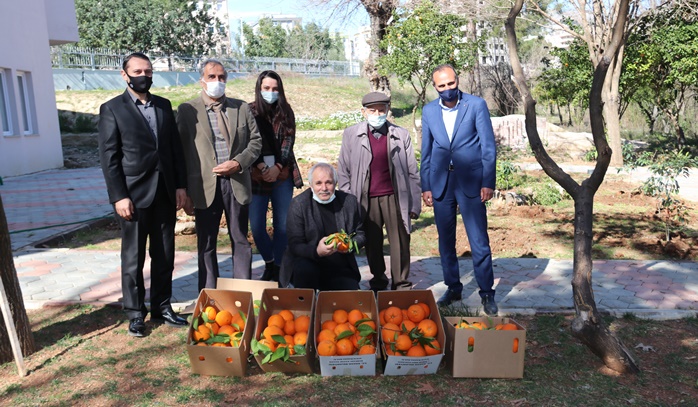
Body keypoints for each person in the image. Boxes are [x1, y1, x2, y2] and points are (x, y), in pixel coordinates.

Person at [97, 52, 188, 337]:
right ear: (124, 75)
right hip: (133, 197)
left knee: (165, 254)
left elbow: (175, 150)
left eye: (148, 71)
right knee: (133, 258)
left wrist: (180, 186)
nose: (144, 76)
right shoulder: (111, 109)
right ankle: (136, 313)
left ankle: (162, 306)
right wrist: (118, 196)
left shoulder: (163, 106)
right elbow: (109, 158)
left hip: (164, 192)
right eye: (137, 71)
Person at [176, 59, 262, 291]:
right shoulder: (187, 110)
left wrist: (237, 163)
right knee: (206, 243)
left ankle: (242, 292)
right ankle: (209, 294)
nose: (217, 81)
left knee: (241, 240)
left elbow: (256, 142)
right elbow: (180, 152)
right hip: (204, 187)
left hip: (236, 183)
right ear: (201, 79)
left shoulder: (241, 108)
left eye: (222, 77)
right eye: (212, 77)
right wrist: (183, 189)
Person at [420, 64, 498, 315]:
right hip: (441, 183)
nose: (447, 89)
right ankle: (453, 287)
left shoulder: (475, 105)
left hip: (471, 183)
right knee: (446, 242)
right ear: (435, 87)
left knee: (479, 240)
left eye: (450, 84)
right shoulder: (429, 111)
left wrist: (488, 182)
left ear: (457, 81)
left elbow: (488, 147)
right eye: (441, 86)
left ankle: (487, 292)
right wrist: (426, 185)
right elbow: (427, 151)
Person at [337, 91, 421, 292]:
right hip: (365, 198)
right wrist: (349, 201)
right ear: (363, 112)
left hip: (394, 196)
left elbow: (412, 171)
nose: (377, 114)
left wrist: (414, 203)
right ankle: (378, 281)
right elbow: (343, 170)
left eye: (381, 110)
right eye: (372, 110)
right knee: (373, 243)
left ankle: (401, 283)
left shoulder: (400, 135)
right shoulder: (351, 135)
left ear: (387, 111)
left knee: (400, 241)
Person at [248, 71, 303, 282]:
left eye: (275, 89)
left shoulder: (286, 111)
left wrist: (277, 167)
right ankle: (269, 262)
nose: (271, 92)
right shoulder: (250, 111)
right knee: (257, 227)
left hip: (282, 174)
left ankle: (279, 267)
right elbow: (246, 142)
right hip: (257, 175)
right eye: (266, 88)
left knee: (282, 226)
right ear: (259, 89)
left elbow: (288, 143)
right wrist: (261, 166)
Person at [280, 163, 366, 291]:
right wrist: (317, 251)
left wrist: (349, 246)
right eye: (318, 183)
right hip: (308, 260)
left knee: (349, 300)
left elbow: (361, 234)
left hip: (339, 264)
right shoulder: (298, 204)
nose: (324, 188)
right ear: (311, 185)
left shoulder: (349, 202)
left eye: (329, 183)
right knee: (305, 271)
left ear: (335, 183)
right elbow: (295, 244)